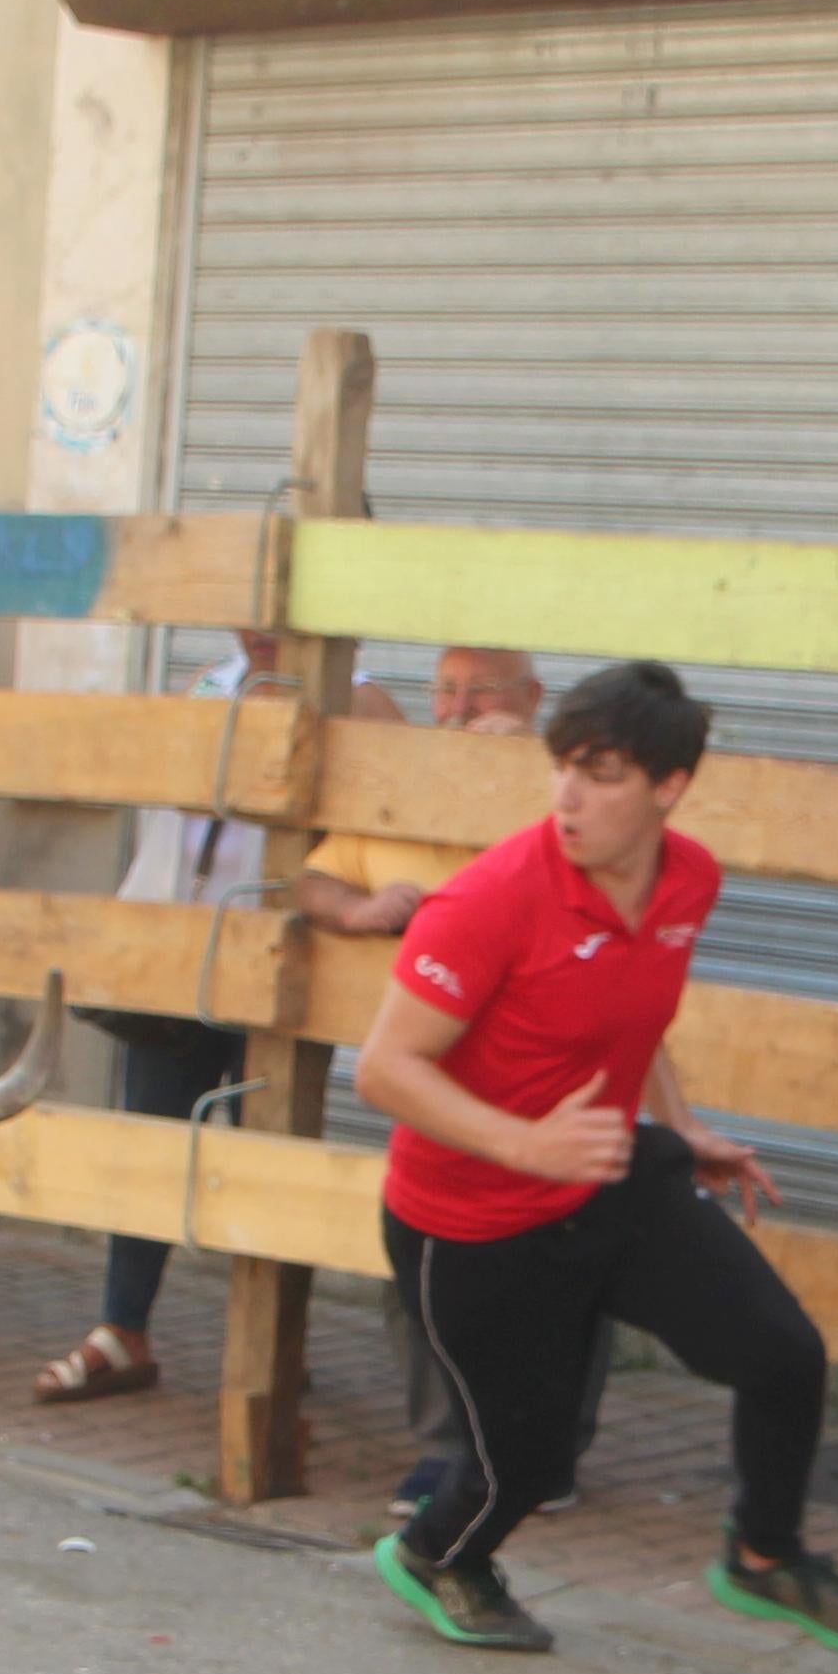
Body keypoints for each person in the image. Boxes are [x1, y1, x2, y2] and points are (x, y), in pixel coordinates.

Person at [361, 662, 838, 1655]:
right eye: (561, 768)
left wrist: (681, 1128)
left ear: (668, 788)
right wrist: (525, 1142)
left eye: (600, 774)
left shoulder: (689, 879)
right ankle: (439, 1554)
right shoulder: (487, 903)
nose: (566, 797)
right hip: (471, 1220)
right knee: (523, 1465)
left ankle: (762, 1555)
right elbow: (385, 1071)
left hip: (607, 1177)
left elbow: (631, 1016)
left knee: (783, 1355)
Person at [34, 632, 401, 1405]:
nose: (257, 627)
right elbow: (171, 779)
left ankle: (272, 1345)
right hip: (189, 956)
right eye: (248, 609)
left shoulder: (364, 699)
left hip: (287, 968)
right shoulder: (212, 679)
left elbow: (375, 826)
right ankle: (121, 1327)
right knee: (153, 1142)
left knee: (269, 1159)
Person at [292, 647, 616, 1518]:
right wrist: (358, 911)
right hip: (434, 1080)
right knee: (432, 1259)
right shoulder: (396, 784)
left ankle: (545, 1454)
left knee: (564, 1264)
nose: (458, 708)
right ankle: (449, 1450)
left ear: (531, 701)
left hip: (550, 1071)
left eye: (481, 692)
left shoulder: (555, 788)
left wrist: (525, 763)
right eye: (443, 688)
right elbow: (314, 877)